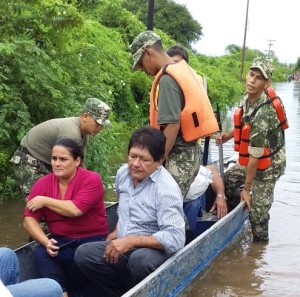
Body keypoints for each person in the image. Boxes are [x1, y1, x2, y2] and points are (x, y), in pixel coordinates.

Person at [74, 127, 185, 297]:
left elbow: (175, 238)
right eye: (132, 156)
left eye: (144, 159)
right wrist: (117, 231)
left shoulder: (166, 189)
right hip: (126, 245)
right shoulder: (123, 174)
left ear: (159, 161)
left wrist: (131, 241)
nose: (135, 164)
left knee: (139, 260)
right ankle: (124, 293)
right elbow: (124, 208)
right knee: (84, 254)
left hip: (154, 252)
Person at [129, 31, 219, 199]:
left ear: (149, 52)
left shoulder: (167, 79)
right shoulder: (183, 70)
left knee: (165, 204)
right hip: (190, 154)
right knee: (167, 203)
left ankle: (181, 226)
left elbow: (172, 126)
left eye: (141, 64)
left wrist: (156, 162)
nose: (142, 69)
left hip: (179, 157)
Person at [23, 137, 108, 296]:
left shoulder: (91, 179)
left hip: (92, 240)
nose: (56, 163)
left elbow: (75, 209)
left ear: (77, 161)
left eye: (63, 159)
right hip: (60, 240)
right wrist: (46, 241)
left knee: (81, 259)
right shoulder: (42, 183)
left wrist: (45, 200)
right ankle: (61, 292)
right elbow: (29, 219)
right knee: (41, 254)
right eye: (54, 159)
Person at [217, 57, 287, 242]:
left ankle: (258, 250)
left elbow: (256, 155)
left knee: (258, 215)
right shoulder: (248, 97)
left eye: (258, 78)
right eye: (251, 74)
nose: (252, 80)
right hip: (254, 158)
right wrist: (228, 136)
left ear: (266, 83)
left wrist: (247, 189)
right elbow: (244, 124)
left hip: (269, 166)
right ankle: (236, 218)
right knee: (228, 180)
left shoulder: (264, 112)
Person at [166, 45, 227, 230]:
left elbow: (210, 170)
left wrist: (220, 195)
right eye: (171, 64)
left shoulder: (190, 91)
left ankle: (186, 232)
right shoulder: (165, 92)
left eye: (178, 64)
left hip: (190, 155)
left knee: (193, 195)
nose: (174, 69)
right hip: (169, 155)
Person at [10, 98, 111, 197]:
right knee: (39, 203)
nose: (100, 128)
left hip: (48, 163)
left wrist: (91, 183)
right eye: (97, 123)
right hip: (29, 161)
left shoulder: (83, 134)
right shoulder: (71, 133)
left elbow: (79, 164)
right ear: (85, 116)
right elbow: (69, 168)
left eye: (102, 125)